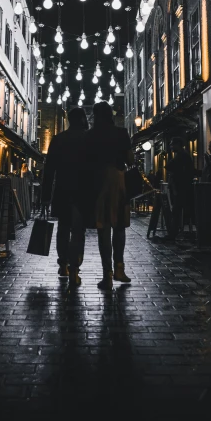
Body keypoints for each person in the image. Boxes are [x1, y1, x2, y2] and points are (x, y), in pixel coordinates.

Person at [85, 101, 134, 290]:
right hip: (118, 181)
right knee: (119, 226)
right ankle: (120, 268)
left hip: (97, 182)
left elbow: (86, 162)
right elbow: (130, 160)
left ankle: (107, 275)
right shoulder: (121, 133)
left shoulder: (90, 135)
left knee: (103, 228)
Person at [41, 107, 89, 286]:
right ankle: (75, 268)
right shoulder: (88, 139)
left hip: (62, 190)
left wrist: (45, 196)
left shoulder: (58, 139)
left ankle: (63, 264)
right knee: (78, 231)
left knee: (63, 229)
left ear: (68, 120)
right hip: (83, 191)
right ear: (83, 119)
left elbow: (49, 170)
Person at [167, 137, 195, 240]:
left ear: (178, 145)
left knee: (178, 211)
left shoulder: (182, 156)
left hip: (181, 188)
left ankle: (176, 233)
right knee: (178, 211)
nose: (171, 147)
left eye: (172, 145)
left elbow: (171, 167)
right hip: (181, 187)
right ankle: (177, 232)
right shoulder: (181, 155)